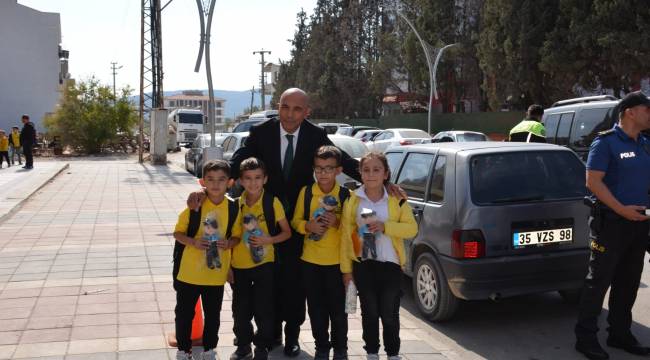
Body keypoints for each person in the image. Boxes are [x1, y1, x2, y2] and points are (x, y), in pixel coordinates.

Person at [190, 88, 361, 357]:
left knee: (294, 285)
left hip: (298, 224)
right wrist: (212, 188)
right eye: (285, 107)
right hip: (262, 221)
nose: (290, 114)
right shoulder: (262, 132)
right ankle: (265, 336)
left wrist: (382, 182)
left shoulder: (315, 135)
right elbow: (239, 160)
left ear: (307, 112)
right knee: (264, 288)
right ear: (278, 106)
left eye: (296, 109)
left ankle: (292, 335)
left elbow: (343, 160)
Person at [574, 91, 650, 360]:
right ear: (630, 112)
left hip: (639, 226)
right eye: (647, 110)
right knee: (598, 283)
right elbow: (593, 182)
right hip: (611, 224)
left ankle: (619, 334)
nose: (649, 115)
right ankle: (585, 338)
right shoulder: (605, 143)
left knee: (628, 283)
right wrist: (622, 210)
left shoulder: (644, 143)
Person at [340, 152, 418, 360]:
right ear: (360, 173)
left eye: (376, 170)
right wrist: (347, 270)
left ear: (385, 174)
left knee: (389, 313)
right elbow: (346, 237)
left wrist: (385, 227)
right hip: (364, 265)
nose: (371, 174)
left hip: (391, 265)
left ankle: (393, 353)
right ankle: (372, 352)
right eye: (366, 170)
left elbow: (412, 229)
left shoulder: (396, 199)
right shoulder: (353, 199)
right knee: (370, 312)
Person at [172, 160, 241, 360]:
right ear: (202, 181)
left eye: (221, 179)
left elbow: (237, 236)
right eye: (210, 179)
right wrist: (193, 242)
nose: (215, 184)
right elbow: (177, 233)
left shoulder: (233, 208)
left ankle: (209, 349)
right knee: (184, 314)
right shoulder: (196, 205)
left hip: (215, 275)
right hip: (189, 273)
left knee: (213, 316)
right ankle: (183, 350)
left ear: (230, 182)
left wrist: (229, 243)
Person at [230, 157, 292, 360]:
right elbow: (230, 235)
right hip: (239, 265)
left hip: (265, 265)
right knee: (240, 309)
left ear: (265, 179)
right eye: (247, 178)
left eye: (257, 178)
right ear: (240, 180)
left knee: (264, 308)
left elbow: (287, 233)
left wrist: (268, 239)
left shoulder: (271, 202)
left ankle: (262, 347)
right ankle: (243, 345)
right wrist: (228, 267)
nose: (253, 182)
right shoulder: (236, 205)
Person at [291, 145, 349, 360]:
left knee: (339, 311)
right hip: (310, 262)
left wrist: (338, 222)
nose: (323, 173)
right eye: (319, 168)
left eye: (329, 168)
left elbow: (354, 230)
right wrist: (308, 226)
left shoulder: (346, 195)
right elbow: (295, 221)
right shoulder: (306, 193)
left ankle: (341, 349)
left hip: (337, 264)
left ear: (339, 170)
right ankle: (321, 348)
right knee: (316, 310)